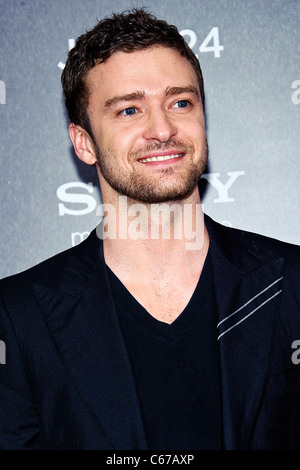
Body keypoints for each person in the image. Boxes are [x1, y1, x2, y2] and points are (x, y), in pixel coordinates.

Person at [0, 8, 300, 451]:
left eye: (181, 102)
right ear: (84, 142)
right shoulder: (18, 317)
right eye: (129, 110)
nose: (162, 129)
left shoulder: (291, 281)